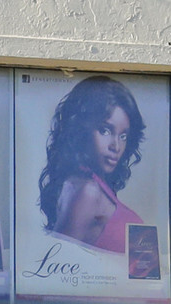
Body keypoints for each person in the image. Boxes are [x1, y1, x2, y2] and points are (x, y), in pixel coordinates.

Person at [37, 77, 147, 253]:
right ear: (81, 130)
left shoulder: (96, 186)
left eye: (123, 136)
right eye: (105, 130)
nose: (116, 146)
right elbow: (59, 262)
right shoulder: (87, 190)